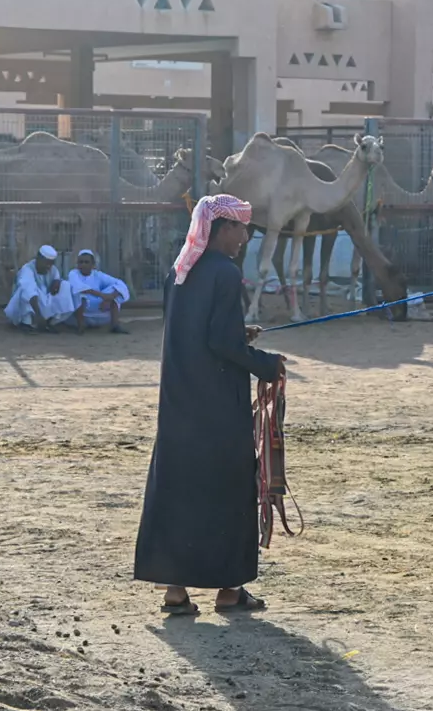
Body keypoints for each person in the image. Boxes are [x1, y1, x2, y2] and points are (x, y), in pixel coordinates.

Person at [134, 194, 285, 615]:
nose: (245, 238)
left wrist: (239, 332)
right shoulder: (224, 272)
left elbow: (194, 331)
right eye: (241, 229)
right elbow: (220, 343)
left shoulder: (179, 271)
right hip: (217, 406)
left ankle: (176, 591)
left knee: (179, 489)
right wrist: (266, 364)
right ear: (222, 228)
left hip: (179, 402)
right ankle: (230, 590)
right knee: (228, 489)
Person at [3, 245, 76, 333]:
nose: (48, 266)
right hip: (26, 305)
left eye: (51, 264)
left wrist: (57, 282)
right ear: (38, 259)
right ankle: (26, 324)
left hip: (41, 303)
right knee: (25, 291)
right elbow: (30, 292)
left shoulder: (52, 270)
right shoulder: (27, 269)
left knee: (65, 285)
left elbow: (56, 280)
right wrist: (38, 315)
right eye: (46, 263)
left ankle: (49, 322)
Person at [67, 249, 130, 335]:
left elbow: (119, 283)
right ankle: (80, 327)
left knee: (116, 287)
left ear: (93, 264)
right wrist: (102, 295)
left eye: (86, 262)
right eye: (81, 262)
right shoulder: (73, 273)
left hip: (101, 309)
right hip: (82, 312)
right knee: (79, 294)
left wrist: (110, 298)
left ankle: (115, 326)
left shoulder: (97, 274)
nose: (83, 265)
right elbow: (80, 287)